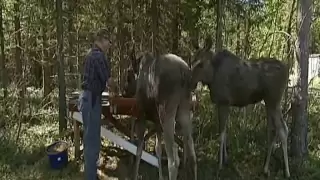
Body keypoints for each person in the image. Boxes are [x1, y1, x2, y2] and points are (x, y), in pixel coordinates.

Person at [78, 28, 112, 180]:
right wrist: (116, 87)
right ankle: (91, 177)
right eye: (108, 42)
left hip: (88, 97)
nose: (109, 45)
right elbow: (107, 79)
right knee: (91, 140)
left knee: (92, 138)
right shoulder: (98, 56)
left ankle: (92, 173)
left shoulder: (89, 54)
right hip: (91, 99)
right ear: (101, 40)